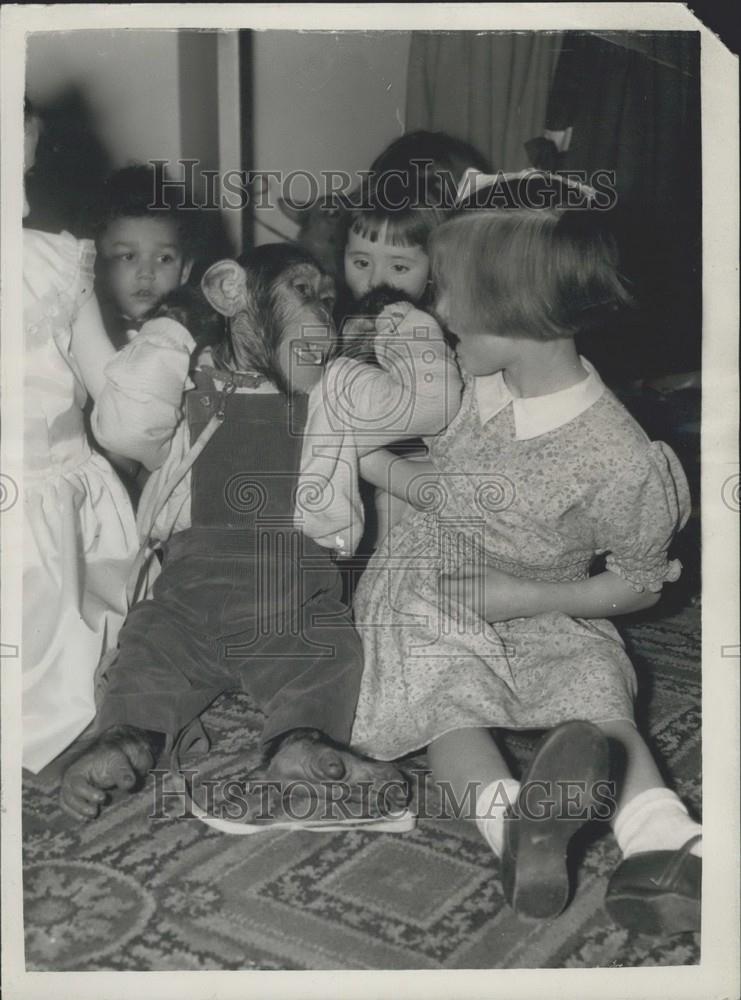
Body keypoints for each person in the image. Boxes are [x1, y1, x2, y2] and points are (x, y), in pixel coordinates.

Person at [352, 182, 701, 936]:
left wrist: (527, 598)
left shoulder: (615, 455)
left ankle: (665, 845)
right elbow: (420, 460)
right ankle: (518, 830)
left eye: (452, 293)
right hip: (437, 581)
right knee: (447, 696)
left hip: (551, 595)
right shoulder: (470, 379)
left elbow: (641, 585)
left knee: (597, 699)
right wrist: (366, 448)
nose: (440, 310)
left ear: (515, 311)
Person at [58, 243, 460, 826]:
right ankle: (125, 739)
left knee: (328, 651)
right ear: (230, 293)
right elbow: (124, 425)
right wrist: (177, 324)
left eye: (330, 300)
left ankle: (297, 743)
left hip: (289, 581)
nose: (323, 312)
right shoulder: (187, 375)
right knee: (146, 650)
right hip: (190, 581)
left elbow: (433, 406)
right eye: (304, 291)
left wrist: (403, 322)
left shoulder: (337, 385)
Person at [21, 100, 139, 774]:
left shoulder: (56, 263)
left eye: (25, 176)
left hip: (59, 503)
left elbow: (110, 386)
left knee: (94, 653)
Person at [91, 164, 198, 349]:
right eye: (128, 256)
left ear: (185, 271)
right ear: (98, 264)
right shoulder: (86, 335)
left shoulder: (192, 340)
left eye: (164, 258)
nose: (147, 273)